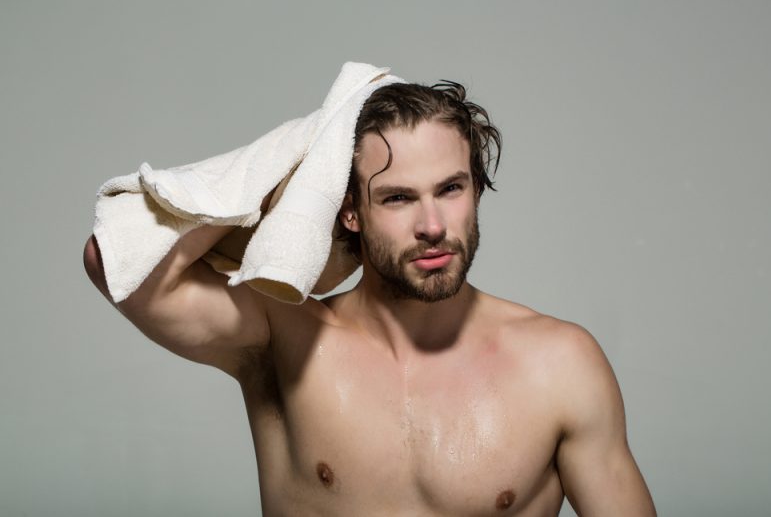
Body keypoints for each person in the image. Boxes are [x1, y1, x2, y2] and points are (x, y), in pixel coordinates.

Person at [83, 80, 656, 516]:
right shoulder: (285, 337)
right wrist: (302, 158)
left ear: (476, 191)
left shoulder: (559, 363)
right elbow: (116, 263)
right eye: (398, 197)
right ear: (349, 211)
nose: (433, 224)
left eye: (451, 189)